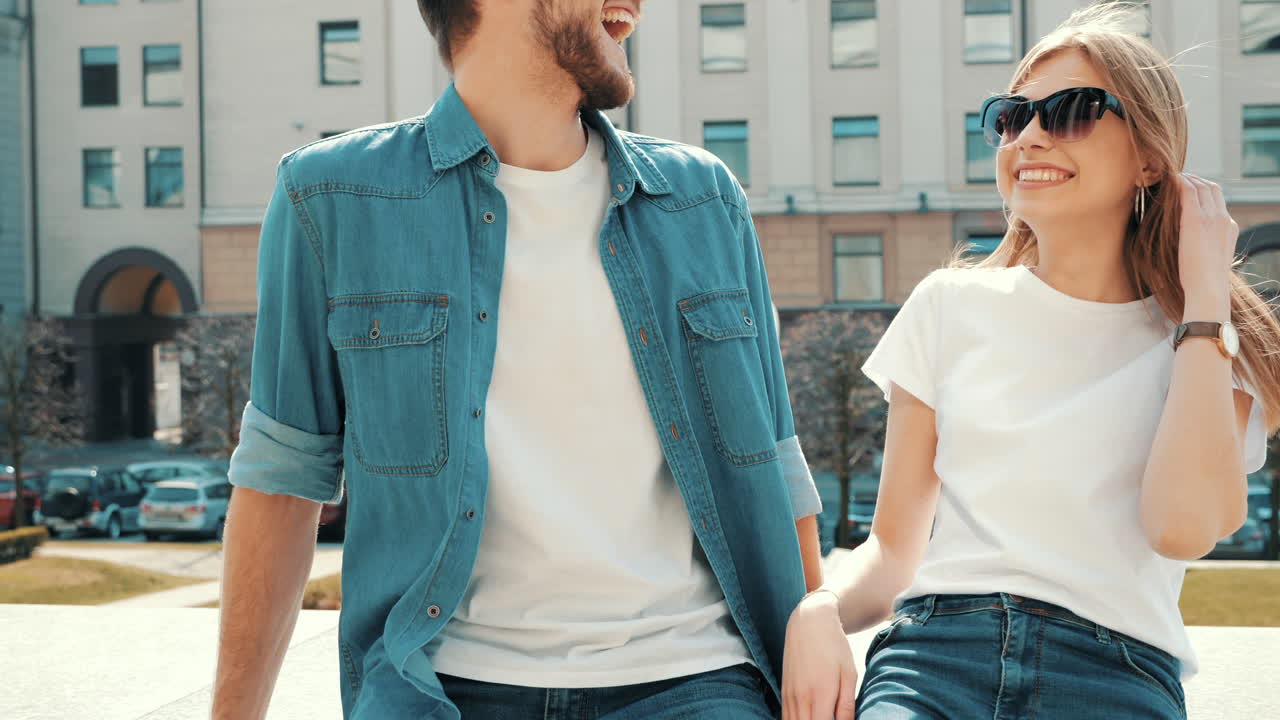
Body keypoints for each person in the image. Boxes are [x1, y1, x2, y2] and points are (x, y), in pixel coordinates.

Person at [211, 1, 825, 718]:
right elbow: (282, 483)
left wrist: (815, 621)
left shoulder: (702, 198)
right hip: (435, 684)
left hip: (693, 679)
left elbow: (774, 458)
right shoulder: (332, 197)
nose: (635, 6)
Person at [780, 5, 1280, 720]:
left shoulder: (1206, 343)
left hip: (1114, 675)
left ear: (1148, 156)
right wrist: (818, 608)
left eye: (1072, 111)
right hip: (933, 660)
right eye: (1012, 117)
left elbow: (1180, 527)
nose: (1032, 136)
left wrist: (1203, 302)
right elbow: (893, 550)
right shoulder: (947, 306)